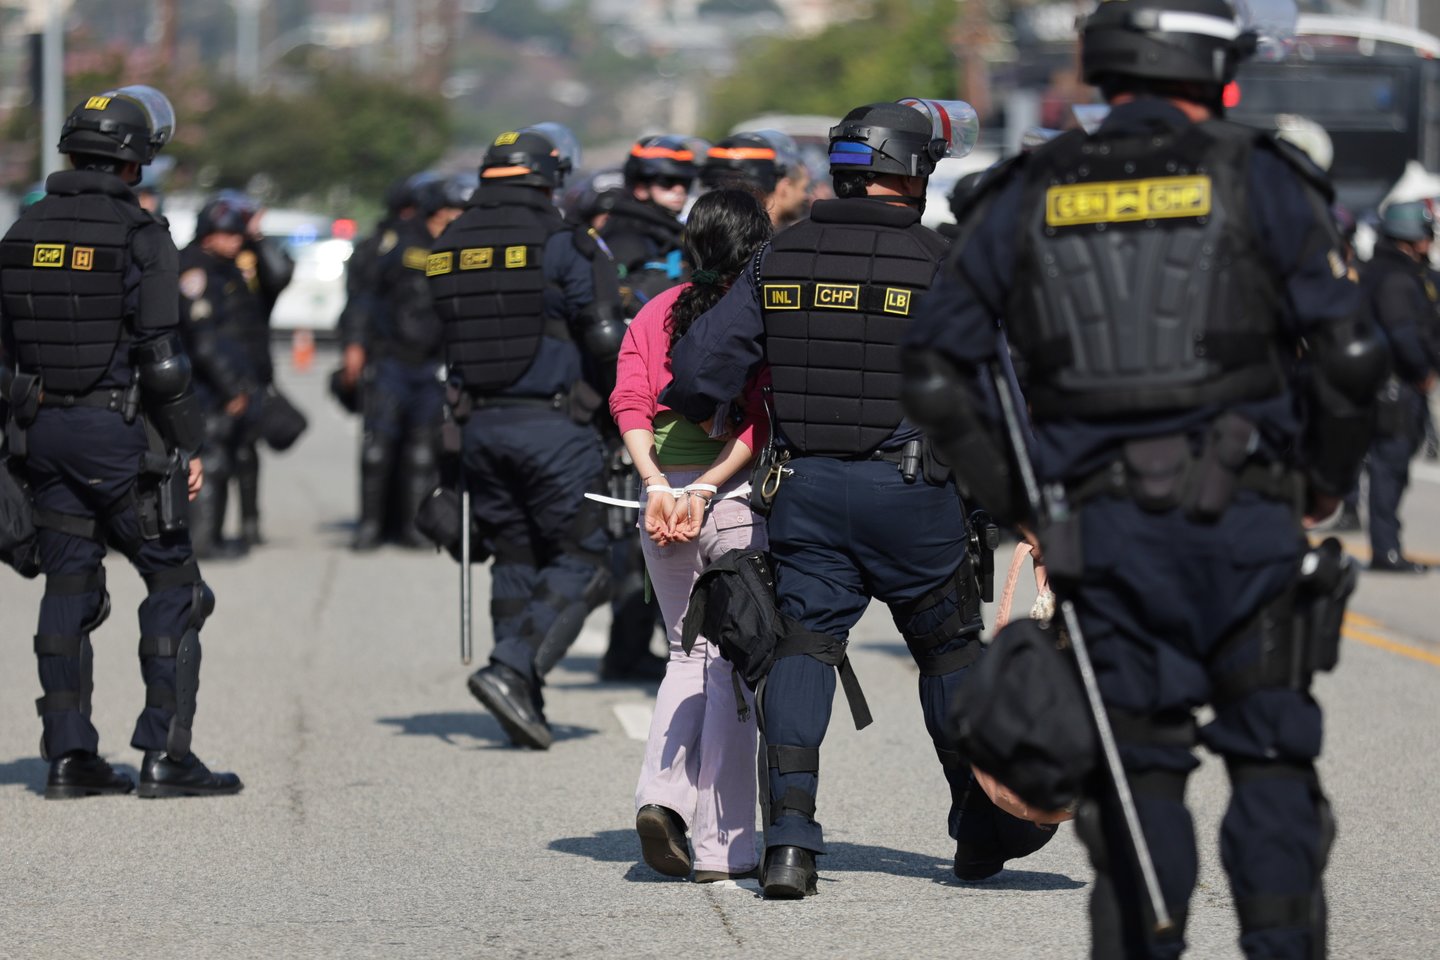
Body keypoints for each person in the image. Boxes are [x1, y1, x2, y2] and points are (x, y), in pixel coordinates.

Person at [902, 1, 1385, 955]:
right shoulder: (1263, 179)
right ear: (1216, 75)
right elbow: (1355, 352)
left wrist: (1024, 504)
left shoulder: (1029, 189)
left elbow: (932, 372)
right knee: (1275, 765)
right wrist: (1323, 486)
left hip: (1103, 535)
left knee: (1136, 780)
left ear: (1100, 69)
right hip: (1249, 527)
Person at [661, 98, 1054, 899]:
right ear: (912, 174)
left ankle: (790, 845)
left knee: (805, 649)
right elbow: (1003, 398)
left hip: (804, 491)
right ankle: (980, 832)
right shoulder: (945, 263)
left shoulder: (781, 257)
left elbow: (699, 370)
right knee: (948, 655)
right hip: (915, 497)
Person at [0, 85, 243, 798]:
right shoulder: (141, 236)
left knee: (67, 583)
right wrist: (187, 443)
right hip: (118, 432)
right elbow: (162, 358)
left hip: (41, 432)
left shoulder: (21, 231)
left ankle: (70, 758)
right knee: (176, 585)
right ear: (134, 163)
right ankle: (166, 756)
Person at [427, 124, 625, 750]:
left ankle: (521, 699)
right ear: (553, 176)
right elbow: (603, 338)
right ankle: (513, 668)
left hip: (475, 425)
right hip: (553, 423)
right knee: (586, 559)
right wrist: (625, 413)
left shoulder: (451, 240)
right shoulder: (566, 241)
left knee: (513, 554)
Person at [611, 189, 773, 882]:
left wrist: (658, 484)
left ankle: (659, 797)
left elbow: (629, 400)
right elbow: (760, 419)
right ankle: (723, 844)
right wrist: (706, 488)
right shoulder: (762, 310)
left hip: (659, 502)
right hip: (729, 498)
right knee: (732, 665)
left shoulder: (655, 310)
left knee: (684, 652)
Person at [347, 173, 469, 551]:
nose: (454, 217)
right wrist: (355, 345)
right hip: (390, 361)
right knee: (377, 448)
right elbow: (364, 298)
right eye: (449, 210)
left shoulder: (461, 250)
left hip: (432, 365)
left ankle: (412, 527)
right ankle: (370, 526)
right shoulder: (397, 244)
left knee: (422, 451)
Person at [177, 191, 293, 556]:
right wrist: (231, 389)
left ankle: (219, 533)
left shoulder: (230, 266)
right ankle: (203, 541)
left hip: (237, 379)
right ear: (208, 234)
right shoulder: (195, 269)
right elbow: (203, 341)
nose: (236, 240)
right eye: (229, 234)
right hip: (207, 385)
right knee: (209, 459)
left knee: (231, 457)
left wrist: (257, 237)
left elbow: (278, 278)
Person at [1361, 200, 1440, 572]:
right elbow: (1404, 334)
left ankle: (1387, 544)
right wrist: (1423, 369)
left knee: (1393, 468)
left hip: (1397, 386)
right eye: (1426, 232)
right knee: (1388, 469)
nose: (1430, 239)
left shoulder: (1407, 272)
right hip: (1394, 388)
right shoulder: (1394, 278)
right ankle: (1385, 550)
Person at [604, 135, 697, 313]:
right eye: (667, 182)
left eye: (685, 182)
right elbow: (617, 297)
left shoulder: (669, 230)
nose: (679, 190)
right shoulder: (626, 232)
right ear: (640, 187)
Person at [700, 131, 811, 228]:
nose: (806, 196)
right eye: (804, 188)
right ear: (783, 185)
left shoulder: (705, 231)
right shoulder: (782, 244)